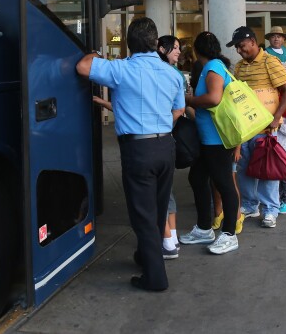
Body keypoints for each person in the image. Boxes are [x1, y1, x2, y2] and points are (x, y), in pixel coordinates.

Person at [75, 17, 184, 292]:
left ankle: (155, 277)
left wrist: (98, 53)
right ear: (156, 44)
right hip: (166, 146)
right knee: (158, 210)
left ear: (128, 44)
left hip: (138, 149)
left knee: (142, 215)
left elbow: (82, 66)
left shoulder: (121, 69)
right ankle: (145, 256)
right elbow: (177, 111)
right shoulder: (173, 74)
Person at [179, 31, 241, 254]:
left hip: (217, 138)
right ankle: (205, 228)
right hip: (208, 138)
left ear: (196, 51)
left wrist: (190, 100)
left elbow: (214, 98)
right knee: (197, 178)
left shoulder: (213, 67)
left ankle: (229, 234)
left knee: (224, 183)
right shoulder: (215, 65)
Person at [228, 26, 286, 228]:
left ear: (252, 42)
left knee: (268, 169)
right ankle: (250, 205)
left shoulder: (270, 62)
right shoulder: (239, 66)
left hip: (266, 129)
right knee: (245, 168)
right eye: (237, 48)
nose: (239, 51)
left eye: (241, 46)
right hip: (246, 128)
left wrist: (276, 118)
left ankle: (270, 209)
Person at [157, 35, 184, 259]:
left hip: (160, 139)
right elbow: (179, 110)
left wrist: (160, 125)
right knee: (167, 190)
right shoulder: (174, 74)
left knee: (159, 193)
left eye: (178, 48)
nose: (178, 52)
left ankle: (167, 242)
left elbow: (179, 110)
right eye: (174, 48)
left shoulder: (166, 74)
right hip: (169, 139)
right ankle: (172, 238)